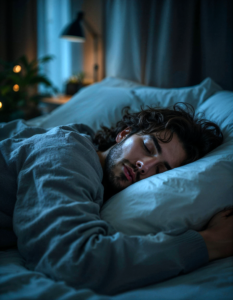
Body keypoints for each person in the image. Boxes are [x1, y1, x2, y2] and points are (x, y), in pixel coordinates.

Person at [0, 103, 232, 295]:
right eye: (148, 147)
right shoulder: (67, 152)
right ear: (123, 134)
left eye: (161, 171)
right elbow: (75, 260)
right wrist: (209, 242)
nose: (146, 166)